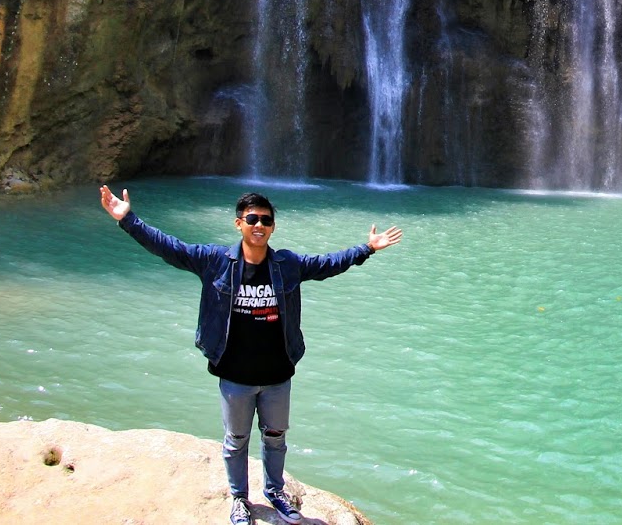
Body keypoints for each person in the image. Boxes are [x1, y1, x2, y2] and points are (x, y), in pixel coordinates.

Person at [99, 185, 402, 525]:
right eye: (252, 218)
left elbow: (328, 263)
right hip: (236, 374)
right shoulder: (215, 262)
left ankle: (275, 492)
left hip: (276, 374)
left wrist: (367, 249)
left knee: (276, 438)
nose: (259, 225)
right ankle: (240, 498)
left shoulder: (287, 264)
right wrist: (128, 220)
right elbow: (169, 247)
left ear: (273, 227)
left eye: (266, 220)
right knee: (236, 440)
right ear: (239, 224)